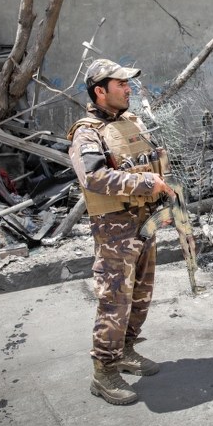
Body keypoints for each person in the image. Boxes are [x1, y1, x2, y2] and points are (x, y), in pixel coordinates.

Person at [68, 58, 176, 405]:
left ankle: (126, 351)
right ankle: (104, 372)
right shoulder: (87, 133)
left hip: (145, 222)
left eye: (128, 83)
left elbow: (151, 160)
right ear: (100, 91)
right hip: (115, 231)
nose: (129, 89)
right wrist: (147, 181)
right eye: (121, 84)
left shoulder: (130, 122)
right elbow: (95, 178)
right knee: (114, 301)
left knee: (141, 295)